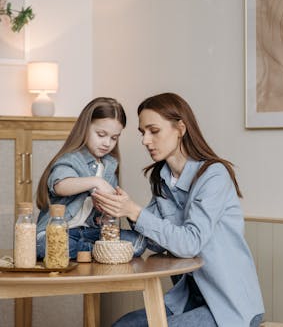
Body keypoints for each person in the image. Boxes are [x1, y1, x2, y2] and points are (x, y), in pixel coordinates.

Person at [92, 93, 264, 327]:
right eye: (143, 133)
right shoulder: (164, 178)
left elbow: (190, 243)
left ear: (180, 128)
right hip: (188, 299)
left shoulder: (214, 176)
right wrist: (117, 210)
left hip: (229, 307)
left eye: (154, 130)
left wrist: (134, 211)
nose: (145, 141)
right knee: (123, 325)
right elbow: (155, 243)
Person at [35, 97, 147, 260]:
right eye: (101, 134)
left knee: (137, 242)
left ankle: (88, 250)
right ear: (85, 128)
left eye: (114, 138)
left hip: (90, 232)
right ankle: (94, 252)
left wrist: (106, 213)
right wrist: (96, 182)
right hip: (59, 232)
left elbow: (107, 215)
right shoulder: (72, 159)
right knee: (44, 245)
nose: (107, 143)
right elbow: (60, 185)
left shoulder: (109, 166)